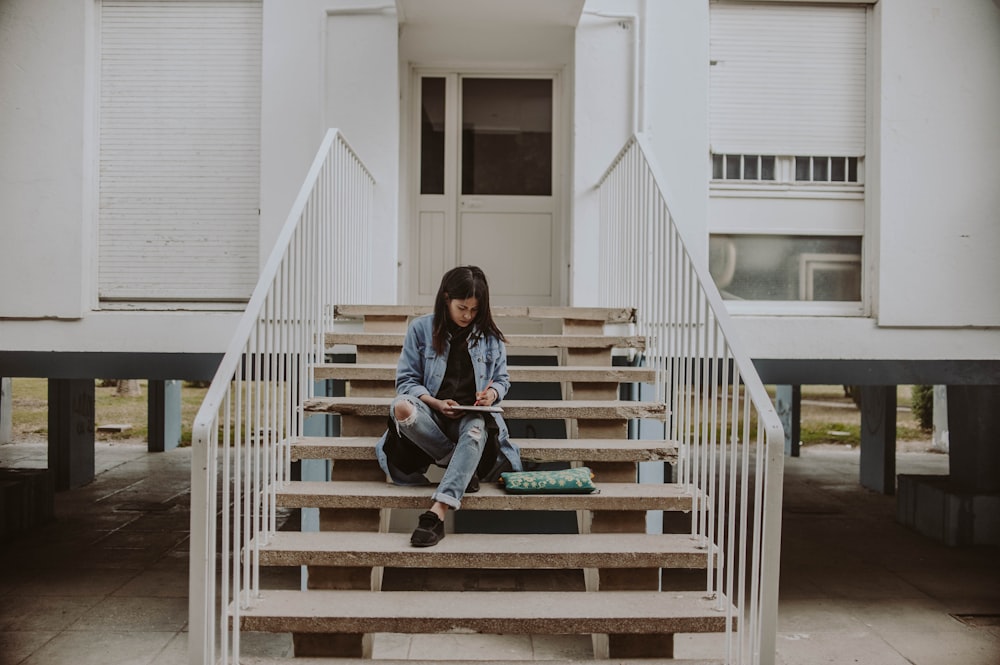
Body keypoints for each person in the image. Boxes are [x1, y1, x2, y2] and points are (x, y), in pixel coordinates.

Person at [374, 266, 522, 547]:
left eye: (475, 310)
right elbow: (405, 382)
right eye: (462, 307)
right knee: (401, 408)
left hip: (471, 419)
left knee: (477, 427)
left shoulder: (490, 337)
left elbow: (502, 379)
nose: (467, 315)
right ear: (446, 299)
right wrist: (436, 403)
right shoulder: (420, 329)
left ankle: (436, 513)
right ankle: (463, 465)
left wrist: (491, 394)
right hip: (432, 417)